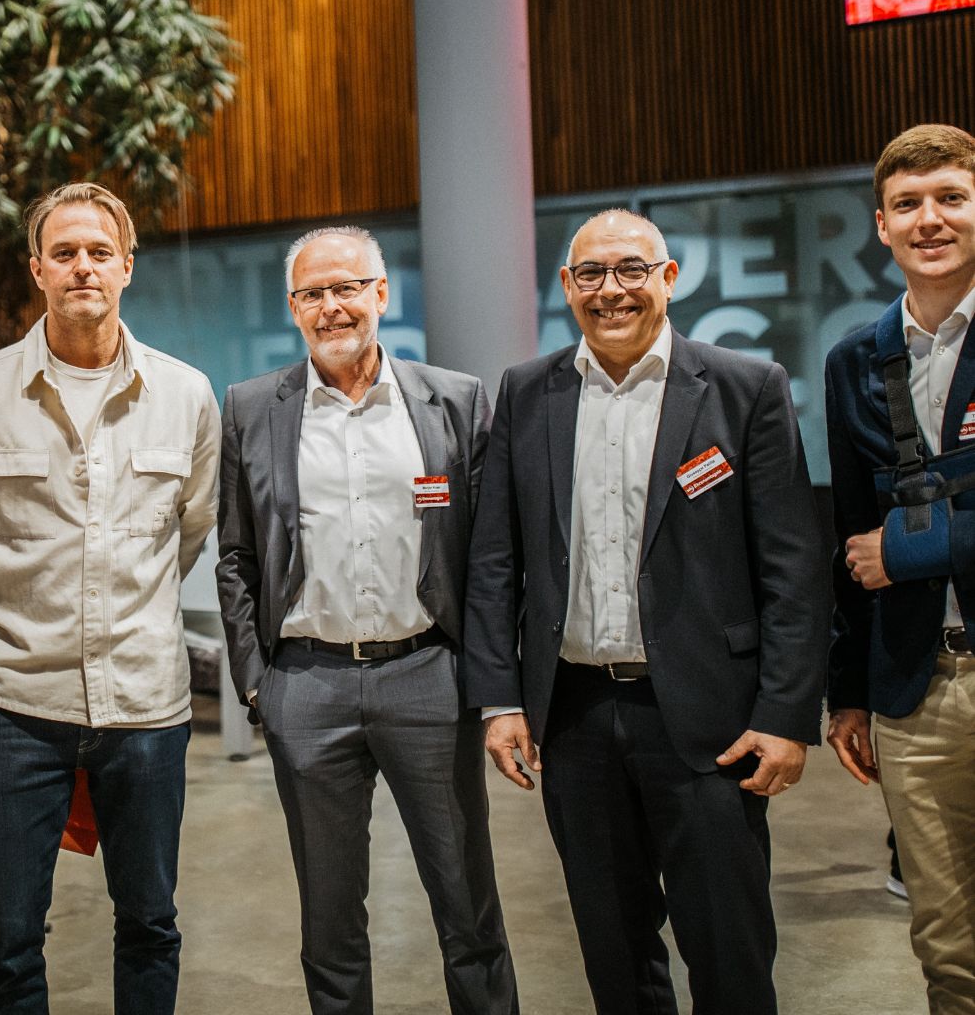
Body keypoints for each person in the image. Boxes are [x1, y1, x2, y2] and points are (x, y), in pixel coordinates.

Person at [464, 209, 828, 1014]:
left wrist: (785, 716)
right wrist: (499, 700)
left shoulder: (745, 388)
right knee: (614, 952)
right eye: (591, 273)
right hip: (574, 717)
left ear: (668, 278)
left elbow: (793, 569)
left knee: (729, 950)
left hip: (709, 719)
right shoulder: (528, 391)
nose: (612, 290)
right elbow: (494, 560)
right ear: (568, 286)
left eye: (631, 269)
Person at [0, 181, 218, 1014]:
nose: (82, 266)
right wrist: (9, 623)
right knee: (9, 935)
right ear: (38, 270)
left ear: (126, 267)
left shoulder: (186, 396)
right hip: (19, 706)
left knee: (151, 921)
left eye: (99, 251)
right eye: (64, 252)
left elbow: (190, 528)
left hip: (146, 707)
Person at [215, 226, 518, 1015]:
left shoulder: (453, 400)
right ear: (294, 307)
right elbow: (236, 556)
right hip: (307, 685)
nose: (331, 307)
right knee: (329, 924)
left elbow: (491, 557)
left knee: (468, 907)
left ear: (381, 294)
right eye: (312, 293)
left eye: (347, 288)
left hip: (429, 679)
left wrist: (489, 682)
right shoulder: (252, 408)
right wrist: (259, 685)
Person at [825, 123, 975, 1013]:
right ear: (881, 225)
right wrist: (848, 693)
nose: (931, 219)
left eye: (952, 197)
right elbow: (851, 536)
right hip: (915, 694)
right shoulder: (854, 360)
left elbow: (886, 547)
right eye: (908, 204)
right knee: (947, 947)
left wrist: (915, 548)